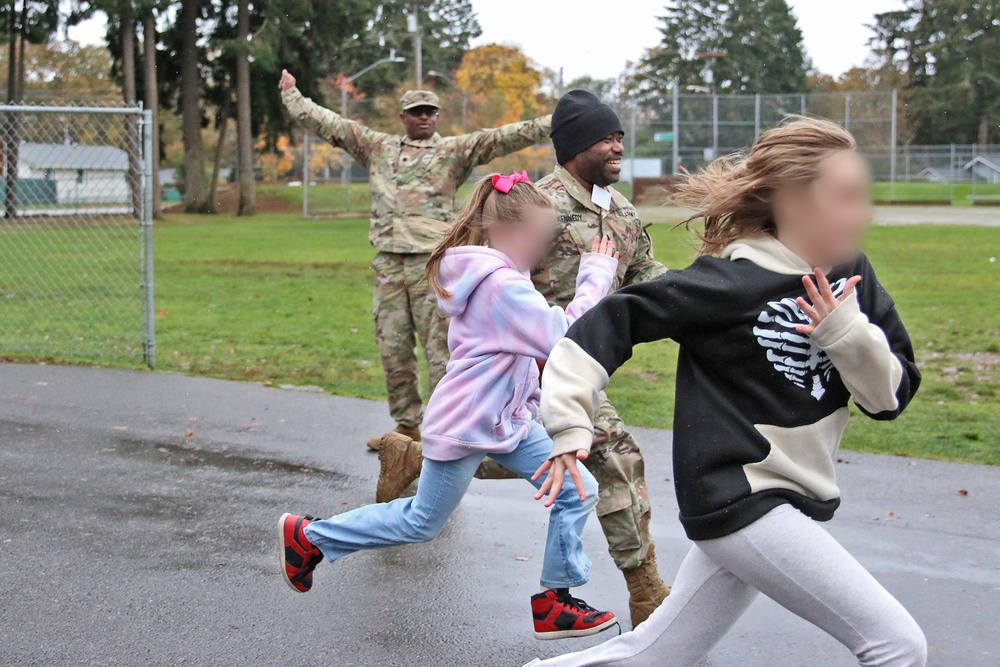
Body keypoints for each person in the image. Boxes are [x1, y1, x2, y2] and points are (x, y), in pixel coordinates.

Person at [523, 117, 927, 666]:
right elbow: (595, 333)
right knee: (898, 646)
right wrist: (571, 428)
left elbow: (889, 400)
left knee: (654, 657)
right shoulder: (724, 285)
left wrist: (847, 334)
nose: (862, 213)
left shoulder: (852, 275)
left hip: (789, 499)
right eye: (845, 196)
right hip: (742, 497)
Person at [279, 172, 620, 640]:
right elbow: (562, 339)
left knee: (577, 491)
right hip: (468, 421)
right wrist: (595, 278)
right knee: (422, 521)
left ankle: (554, 602)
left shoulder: (502, 274)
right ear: (503, 233)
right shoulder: (500, 284)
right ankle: (310, 537)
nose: (541, 248)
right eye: (537, 237)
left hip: (507, 421)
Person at [475, 90, 671, 628]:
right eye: (607, 138)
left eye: (620, 138)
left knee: (527, 455)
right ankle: (646, 590)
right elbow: (492, 280)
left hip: (586, 363)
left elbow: (643, 276)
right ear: (576, 145)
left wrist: (698, 298)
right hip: (540, 364)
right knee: (615, 455)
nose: (618, 147)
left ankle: (426, 459)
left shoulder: (619, 210)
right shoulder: (537, 206)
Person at [278, 70, 552, 450]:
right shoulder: (379, 147)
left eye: (430, 112)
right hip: (389, 266)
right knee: (392, 347)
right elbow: (331, 124)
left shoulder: (453, 151)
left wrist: (561, 121)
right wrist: (293, 96)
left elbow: (504, 136)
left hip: (434, 268)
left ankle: (449, 432)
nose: (423, 117)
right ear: (403, 117)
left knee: (442, 352)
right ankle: (406, 429)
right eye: (415, 112)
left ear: (437, 117)